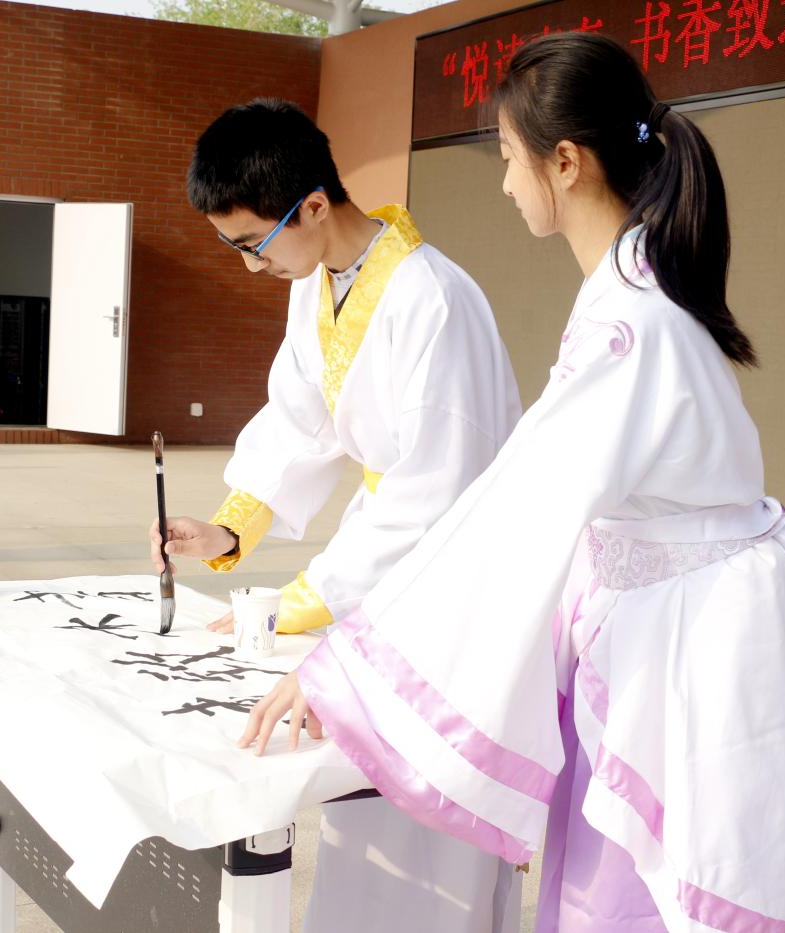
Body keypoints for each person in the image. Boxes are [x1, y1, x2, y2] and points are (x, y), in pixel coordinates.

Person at [242, 35, 785, 932]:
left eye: (506, 156)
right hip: (665, 624)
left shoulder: (625, 323)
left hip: (685, 649)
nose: (502, 182)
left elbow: (513, 510)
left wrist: (354, 665)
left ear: (565, 162)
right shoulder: (632, 292)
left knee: (643, 895)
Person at [150, 99, 524, 933]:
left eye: (253, 243)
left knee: (435, 824)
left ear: (314, 204)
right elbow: (300, 419)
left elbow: (439, 487)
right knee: (368, 814)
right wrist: (229, 527)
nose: (251, 266)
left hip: (453, 579)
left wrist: (304, 599)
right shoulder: (318, 283)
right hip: (389, 565)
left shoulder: (433, 299)